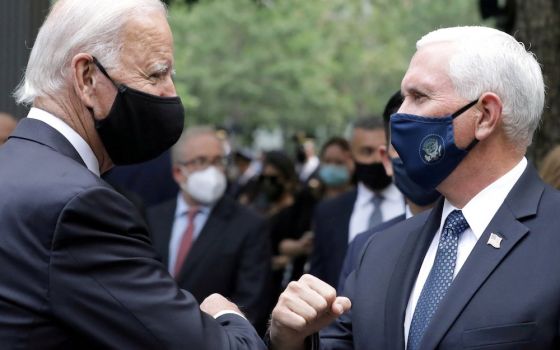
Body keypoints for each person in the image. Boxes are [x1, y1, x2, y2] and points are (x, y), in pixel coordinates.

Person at [269, 26, 560, 350]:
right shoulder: (380, 251)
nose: (400, 115)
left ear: (485, 116)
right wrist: (291, 339)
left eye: (419, 96)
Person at [0, 1, 265, 348]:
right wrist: (226, 317)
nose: (170, 93)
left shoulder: (14, 165)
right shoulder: (79, 207)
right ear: (87, 78)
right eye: (156, 74)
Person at [146, 127, 271, 334]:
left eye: (218, 161)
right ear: (179, 172)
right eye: (202, 161)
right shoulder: (152, 217)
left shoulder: (249, 225)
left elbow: (251, 304)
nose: (213, 170)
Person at [337, 90, 441, 292]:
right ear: (386, 159)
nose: (415, 155)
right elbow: (345, 321)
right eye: (403, 143)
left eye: (425, 142)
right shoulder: (365, 247)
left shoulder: (482, 235)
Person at [309, 116, 406, 287]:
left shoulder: (419, 206)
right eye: (367, 152)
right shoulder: (328, 212)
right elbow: (319, 276)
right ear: (351, 156)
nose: (377, 159)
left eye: (384, 150)